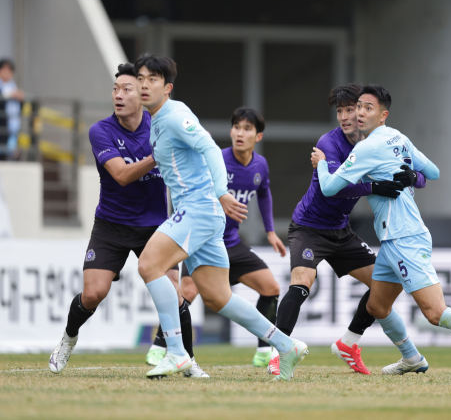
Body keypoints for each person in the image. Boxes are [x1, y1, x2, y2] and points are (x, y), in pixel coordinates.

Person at [312, 84, 451, 378]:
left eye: (368, 108)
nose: (360, 113)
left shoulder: (367, 148)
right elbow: (434, 172)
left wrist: (322, 165)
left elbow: (328, 188)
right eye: (358, 106)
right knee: (376, 305)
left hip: (405, 237)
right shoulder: (398, 138)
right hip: (392, 240)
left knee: (435, 312)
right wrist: (414, 174)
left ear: (383, 115)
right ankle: (412, 359)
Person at [134, 54, 307, 381]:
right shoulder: (156, 120)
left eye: (152, 79)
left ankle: (175, 353)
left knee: (148, 265)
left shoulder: (173, 114)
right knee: (218, 297)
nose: (144, 84)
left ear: (167, 87)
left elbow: (211, 149)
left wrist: (221, 192)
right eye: (141, 78)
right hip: (202, 213)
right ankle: (286, 345)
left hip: (198, 208)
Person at [48, 63, 208, 378]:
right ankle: (68, 338)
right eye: (115, 89)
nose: (118, 95)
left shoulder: (163, 124)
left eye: (127, 89)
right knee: (94, 293)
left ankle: (186, 358)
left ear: (143, 94)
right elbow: (121, 175)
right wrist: (156, 156)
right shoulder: (101, 131)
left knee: (174, 293)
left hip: (155, 227)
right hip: (111, 225)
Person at [269, 83, 426, 376]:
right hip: (309, 227)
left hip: (342, 232)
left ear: (367, 111)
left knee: (384, 285)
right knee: (302, 283)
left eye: (350, 109)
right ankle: (280, 352)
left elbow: (421, 177)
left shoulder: (379, 142)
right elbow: (333, 190)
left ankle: (349, 343)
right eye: (339, 110)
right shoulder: (329, 144)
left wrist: (413, 176)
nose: (344, 116)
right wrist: (375, 185)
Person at [146, 106, 286, 368]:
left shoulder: (260, 165)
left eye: (247, 129)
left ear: (258, 137)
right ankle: (161, 344)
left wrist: (269, 231)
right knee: (186, 292)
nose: (239, 133)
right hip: (205, 237)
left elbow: (264, 192)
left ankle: (265, 350)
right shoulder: (216, 158)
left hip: (232, 242)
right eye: (236, 127)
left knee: (271, 288)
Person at [0, 59, 24, 160]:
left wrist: (21, 99)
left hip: (11, 128)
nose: (8, 73)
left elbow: (19, 109)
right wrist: (10, 95)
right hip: (2, 127)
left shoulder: (13, 86)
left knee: (10, 156)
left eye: (10, 70)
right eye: (5, 70)